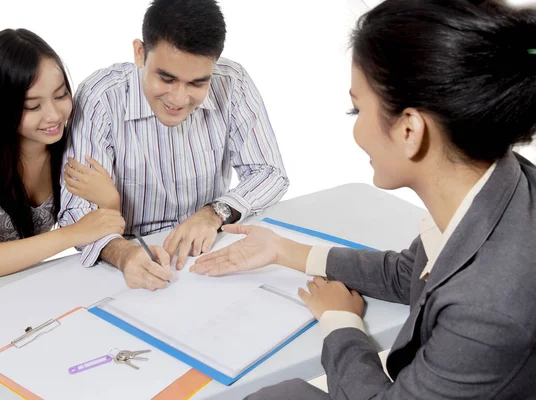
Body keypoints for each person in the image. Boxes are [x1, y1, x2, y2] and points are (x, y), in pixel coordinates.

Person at [192, 0, 536, 398]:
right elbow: (409, 275)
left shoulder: (488, 308)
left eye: (356, 109)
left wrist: (342, 325)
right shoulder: (502, 186)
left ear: (409, 130)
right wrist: (285, 251)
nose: (356, 130)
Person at [59, 0, 289, 291]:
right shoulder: (101, 97)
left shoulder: (233, 82)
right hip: (129, 264)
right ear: (140, 53)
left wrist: (214, 213)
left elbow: (270, 172)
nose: (179, 99)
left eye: (196, 84)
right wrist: (123, 253)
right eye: (166, 78)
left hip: (211, 252)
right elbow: (75, 209)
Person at [0, 29, 125, 289]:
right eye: (32, 106)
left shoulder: (69, 143)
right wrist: (73, 233)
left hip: (15, 288)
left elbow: (103, 229)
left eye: (60, 95)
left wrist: (111, 201)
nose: (54, 115)